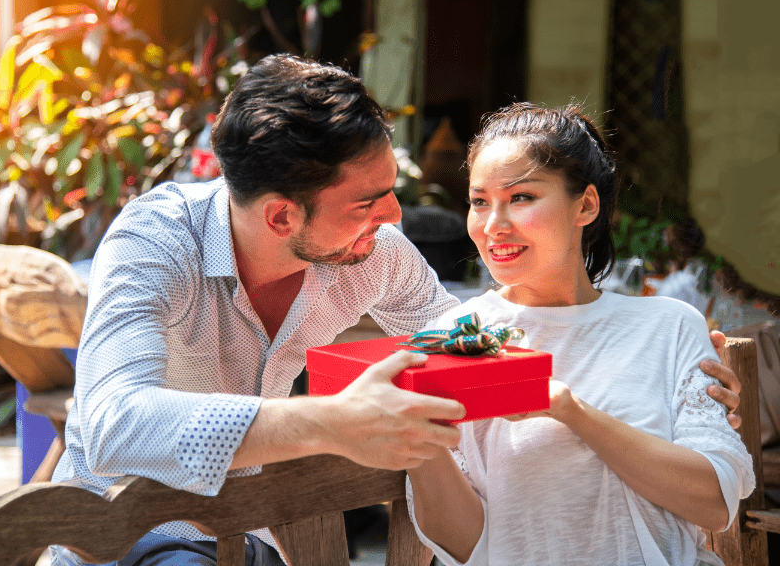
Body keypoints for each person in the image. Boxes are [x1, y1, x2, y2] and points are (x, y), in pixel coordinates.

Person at [50, 58, 741, 566]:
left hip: (242, 529)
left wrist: (685, 376)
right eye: (368, 201)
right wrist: (332, 420)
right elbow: (112, 426)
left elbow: (472, 343)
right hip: (121, 533)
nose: (395, 216)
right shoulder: (155, 244)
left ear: (587, 205)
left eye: (391, 189)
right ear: (284, 214)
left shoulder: (375, 253)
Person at [405, 103, 754, 566]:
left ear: (585, 205)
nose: (493, 225)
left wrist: (569, 409)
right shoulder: (453, 340)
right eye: (479, 201)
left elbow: (714, 504)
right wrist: (414, 437)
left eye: (521, 197)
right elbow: (468, 548)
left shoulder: (670, 326)